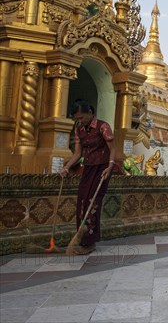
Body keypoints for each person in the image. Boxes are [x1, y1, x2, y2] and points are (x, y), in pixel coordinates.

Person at [59, 100, 116, 255]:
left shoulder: (103, 127)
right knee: (82, 202)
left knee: (93, 203)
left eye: (82, 117)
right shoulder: (79, 129)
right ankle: (81, 238)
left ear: (90, 113)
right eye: (77, 119)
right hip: (88, 168)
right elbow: (77, 153)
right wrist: (67, 167)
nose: (80, 121)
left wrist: (110, 167)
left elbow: (112, 149)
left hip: (102, 168)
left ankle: (90, 242)